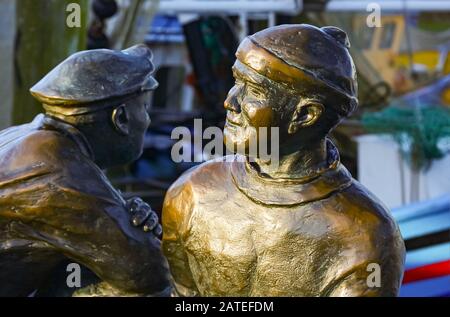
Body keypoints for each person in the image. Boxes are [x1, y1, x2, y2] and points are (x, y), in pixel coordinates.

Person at [162, 24, 405, 297]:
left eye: (252, 89)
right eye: (236, 82)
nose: (230, 102)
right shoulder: (190, 195)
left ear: (305, 115)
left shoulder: (364, 236)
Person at [0, 44, 170, 296]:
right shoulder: (57, 168)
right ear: (120, 118)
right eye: (143, 107)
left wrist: (126, 215)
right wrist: (135, 231)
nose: (147, 119)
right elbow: (149, 271)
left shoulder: (29, 136)